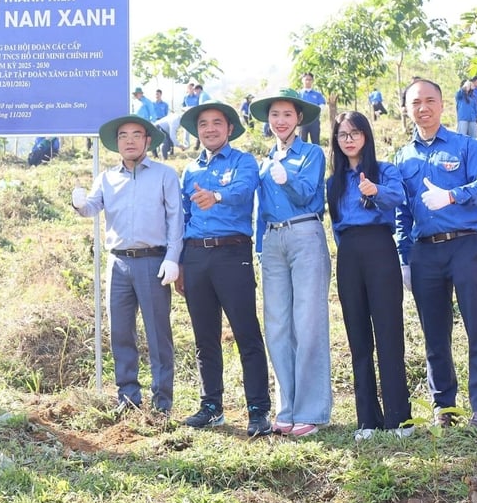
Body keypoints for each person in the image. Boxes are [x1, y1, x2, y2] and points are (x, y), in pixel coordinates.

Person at [395, 78, 477, 433]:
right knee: (434, 332)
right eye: (415, 103)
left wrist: (452, 196)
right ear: (406, 109)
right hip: (424, 252)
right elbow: (401, 212)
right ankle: (445, 405)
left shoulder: (465, 145)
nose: (423, 108)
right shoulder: (403, 156)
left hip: (465, 245)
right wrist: (404, 258)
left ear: (442, 105)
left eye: (429, 100)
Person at [72, 114, 182, 414]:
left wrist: (173, 257)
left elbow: (176, 219)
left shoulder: (164, 175)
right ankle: (128, 396)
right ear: (116, 142)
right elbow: (91, 207)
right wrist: (79, 203)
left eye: (137, 134)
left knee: (158, 333)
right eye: (123, 135)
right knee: (121, 331)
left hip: (152, 261)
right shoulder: (107, 178)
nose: (130, 140)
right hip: (118, 262)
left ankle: (162, 402)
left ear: (148, 140)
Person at [174, 102, 271, 437]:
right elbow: (183, 217)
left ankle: (258, 410)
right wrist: (181, 263)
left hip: (233, 254)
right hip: (197, 257)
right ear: (197, 131)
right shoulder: (189, 171)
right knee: (205, 336)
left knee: (247, 333)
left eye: (217, 123)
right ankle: (211, 406)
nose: (210, 129)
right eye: (203, 124)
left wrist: (216, 195)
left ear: (230, 129)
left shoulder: (244, 162)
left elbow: (244, 192)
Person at [250, 88, 330, 437]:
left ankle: (310, 410)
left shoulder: (311, 153)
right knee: (278, 324)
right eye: (274, 115)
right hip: (273, 240)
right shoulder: (265, 159)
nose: (280, 121)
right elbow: (260, 208)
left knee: (308, 322)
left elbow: (308, 195)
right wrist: (258, 246)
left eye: (286, 114)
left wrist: (288, 177)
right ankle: (287, 407)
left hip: (304, 234)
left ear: (298, 119)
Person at [327, 111, 412, 440]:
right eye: (342, 134)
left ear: (366, 136)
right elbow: (335, 225)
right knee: (358, 336)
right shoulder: (333, 182)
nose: (348, 139)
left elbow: (399, 198)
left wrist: (374, 189)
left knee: (389, 332)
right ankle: (367, 420)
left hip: (380, 248)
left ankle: (398, 418)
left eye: (354, 133)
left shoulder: (384, 170)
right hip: (349, 253)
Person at [297, 72, 327, 145]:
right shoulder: (298, 94)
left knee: (316, 142)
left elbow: (322, 105)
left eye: (310, 79)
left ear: (312, 81)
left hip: (314, 121)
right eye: (306, 79)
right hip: (302, 122)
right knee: (302, 142)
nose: (308, 81)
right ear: (302, 80)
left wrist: (315, 112)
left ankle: (316, 156)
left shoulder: (317, 94)